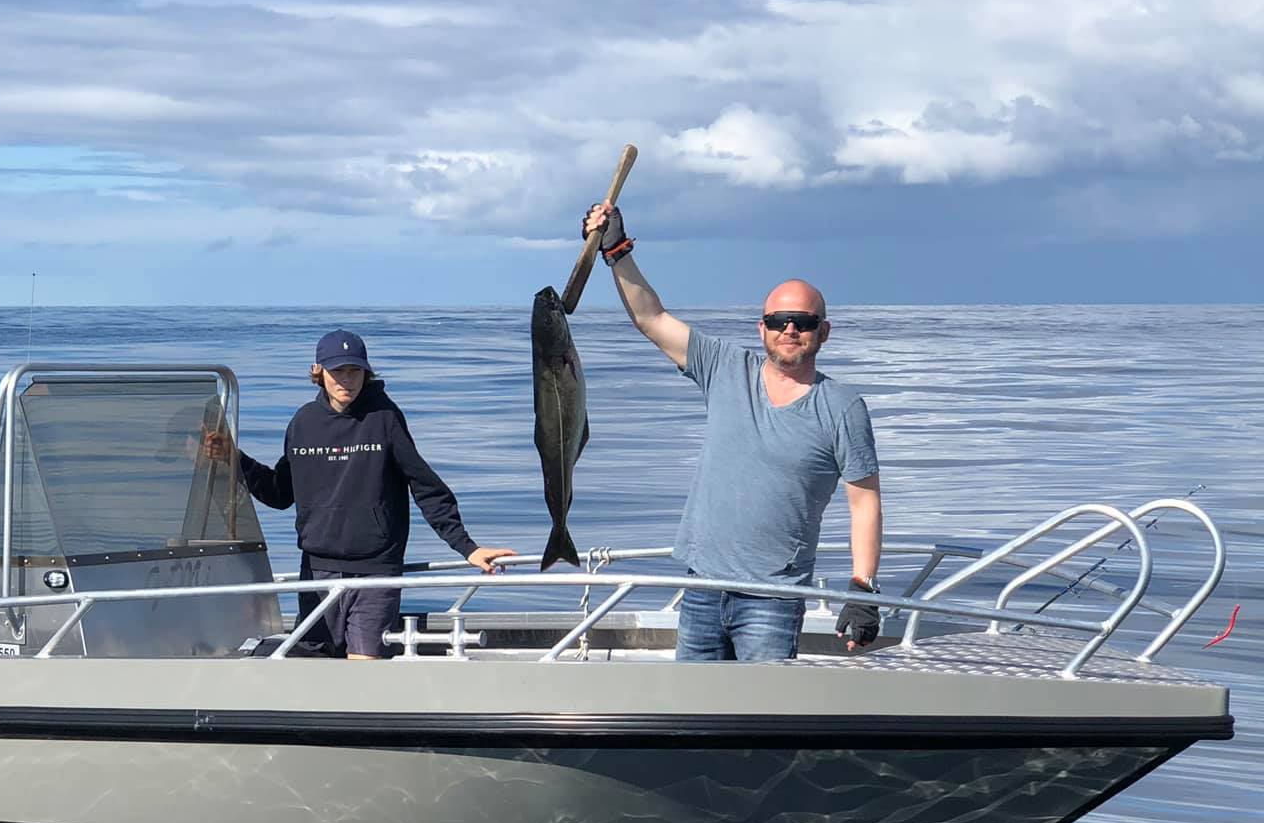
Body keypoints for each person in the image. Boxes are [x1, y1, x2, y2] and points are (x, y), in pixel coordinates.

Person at [588, 202, 883, 661]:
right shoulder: (725, 368)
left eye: (802, 323)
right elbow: (651, 318)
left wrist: (862, 587)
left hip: (772, 600)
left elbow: (864, 501)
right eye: (777, 321)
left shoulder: (842, 407)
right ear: (761, 328)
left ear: (823, 332)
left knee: (761, 725)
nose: (789, 329)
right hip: (700, 587)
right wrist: (616, 249)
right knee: (693, 722)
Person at [214, 329, 515, 659]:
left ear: (366, 372)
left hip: (375, 571)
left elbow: (427, 487)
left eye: (354, 371)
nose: (347, 381)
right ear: (319, 372)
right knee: (314, 668)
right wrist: (235, 459)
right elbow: (281, 493)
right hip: (316, 570)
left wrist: (466, 547)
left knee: (364, 668)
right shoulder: (303, 422)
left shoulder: (385, 418)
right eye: (337, 371)